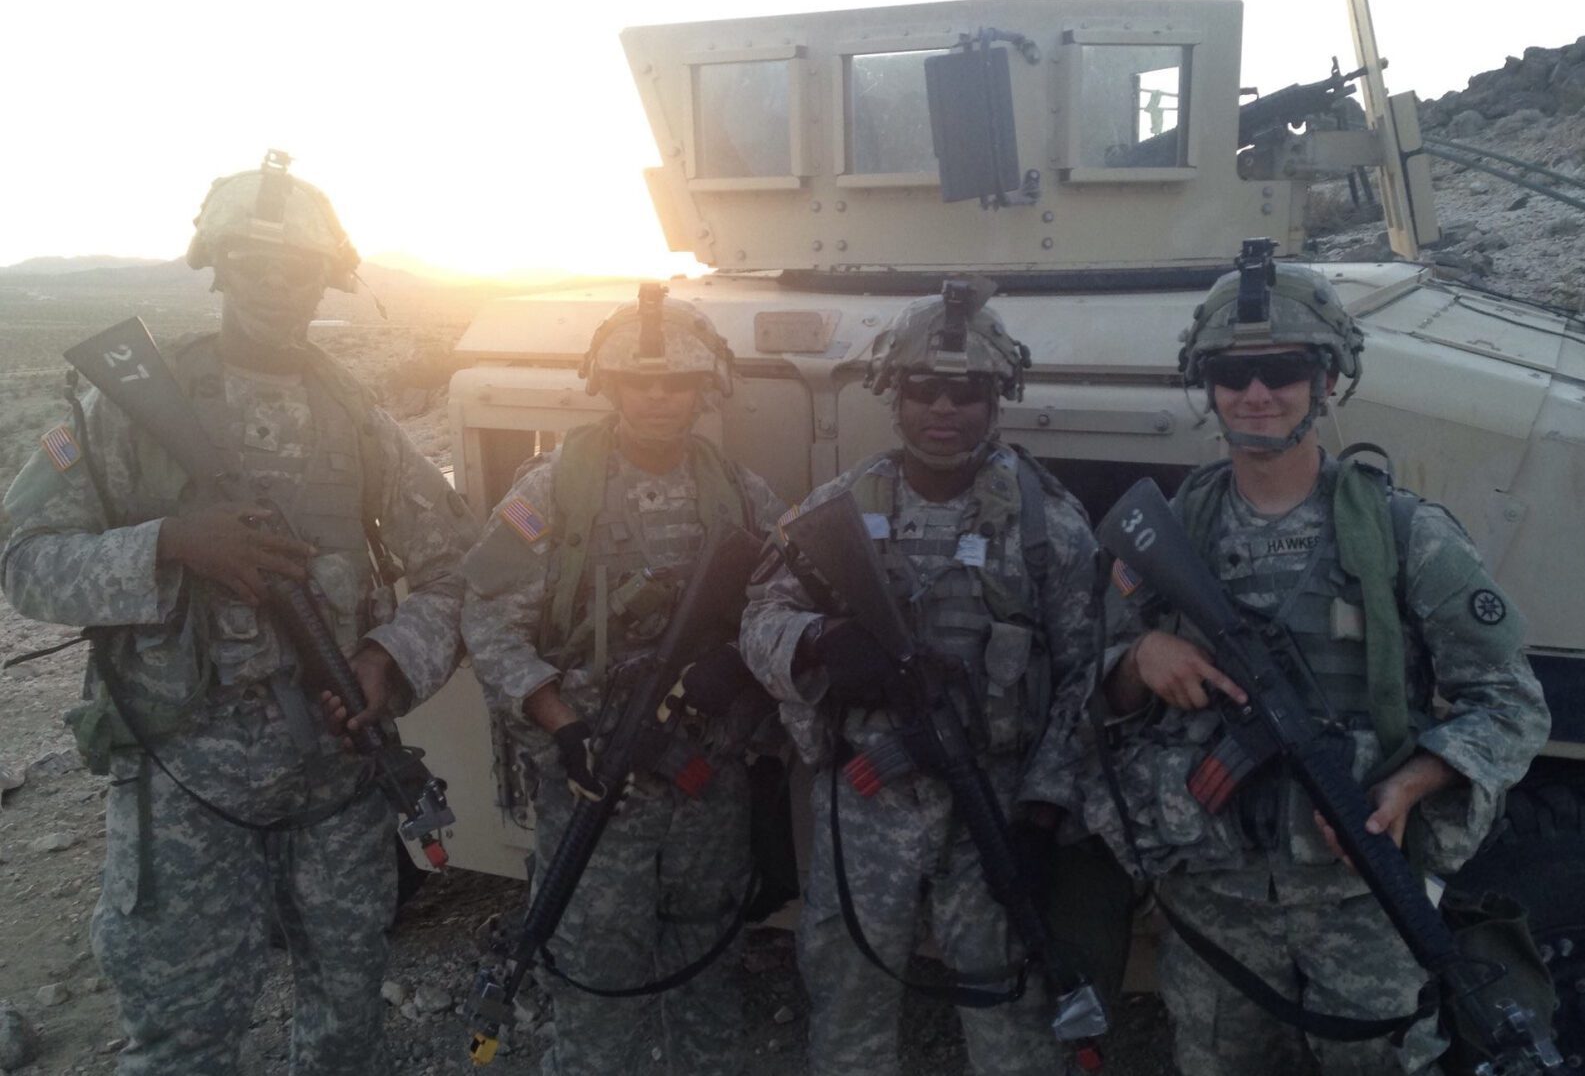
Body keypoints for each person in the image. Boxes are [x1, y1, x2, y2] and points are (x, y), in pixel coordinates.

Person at [0, 151, 478, 1075]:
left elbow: (458, 567)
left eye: (296, 269)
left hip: (336, 784)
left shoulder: (356, 416)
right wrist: (170, 543)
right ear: (217, 265)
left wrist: (388, 659)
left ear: (325, 281)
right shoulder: (125, 406)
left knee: (345, 1029)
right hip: (187, 784)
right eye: (253, 264)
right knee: (185, 1041)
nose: (275, 287)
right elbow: (21, 563)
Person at [1086, 246, 1552, 1074]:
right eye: (1232, 374)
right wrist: (1139, 656)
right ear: (1208, 385)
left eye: (1283, 370)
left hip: (1359, 901)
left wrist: (1414, 781)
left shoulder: (1401, 534)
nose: (1256, 394)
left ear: (1325, 380)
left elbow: (1510, 704)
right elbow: (1089, 687)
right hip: (1212, 899)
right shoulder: (1171, 535)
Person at [739, 281, 1110, 1076]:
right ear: (895, 396)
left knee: (1007, 1006)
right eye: (924, 389)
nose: (944, 409)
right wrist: (821, 642)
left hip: (996, 803)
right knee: (848, 994)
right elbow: (758, 619)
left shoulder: (1047, 524)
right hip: (868, 800)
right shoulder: (837, 507)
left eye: (967, 391)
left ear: (995, 399)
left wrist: (1043, 815)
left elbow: (1084, 676)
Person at [459, 284, 784, 1076]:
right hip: (594, 775)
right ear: (609, 385)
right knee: (597, 974)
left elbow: (788, 596)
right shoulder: (554, 489)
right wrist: (559, 720)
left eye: (676, 382)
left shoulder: (737, 491)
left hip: (706, 778)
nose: (658, 397)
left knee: (705, 960)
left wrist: (736, 661)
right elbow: (485, 616)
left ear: (702, 390)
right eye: (641, 380)